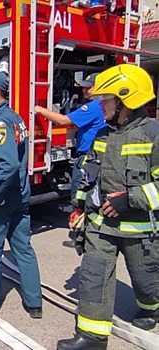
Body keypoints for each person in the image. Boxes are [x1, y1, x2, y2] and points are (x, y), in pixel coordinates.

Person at [57, 64, 159, 350]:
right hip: (101, 226)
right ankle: (91, 338)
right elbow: (89, 174)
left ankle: (152, 309)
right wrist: (78, 206)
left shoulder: (153, 135)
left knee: (146, 278)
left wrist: (129, 200)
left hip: (140, 231)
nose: (100, 104)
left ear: (125, 99)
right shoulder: (103, 135)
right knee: (93, 275)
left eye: (107, 99)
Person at [0, 70, 43, 319]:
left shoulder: (0, 122)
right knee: (23, 248)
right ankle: (34, 304)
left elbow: (7, 164)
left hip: (1, 198)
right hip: (19, 195)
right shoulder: (15, 117)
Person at [34, 73, 106, 248]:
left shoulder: (93, 107)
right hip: (98, 157)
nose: (84, 89)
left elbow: (62, 120)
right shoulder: (106, 107)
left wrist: (39, 109)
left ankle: (81, 237)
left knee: (80, 196)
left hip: (87, 158)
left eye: (88, 86)